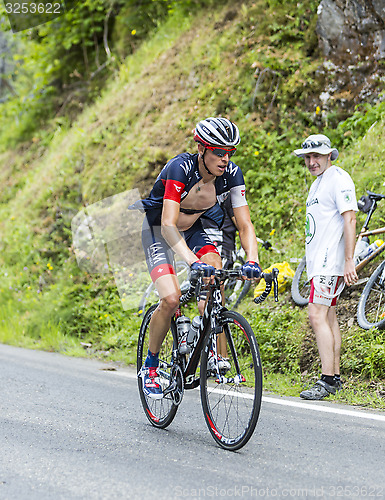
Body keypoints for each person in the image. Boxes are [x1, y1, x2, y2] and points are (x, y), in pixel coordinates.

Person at [138, 117, 262, 399]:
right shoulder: (179, 168)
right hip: (159, 229)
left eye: (229, 152)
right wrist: (193, 261)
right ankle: (151, 366)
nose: (225, 158)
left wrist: (252, 260)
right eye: (219, 152)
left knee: (215, 276)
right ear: (201, 149)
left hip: (194, 227)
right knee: (170, 299)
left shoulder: (231, 175)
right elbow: (168, 224)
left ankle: (214, 353)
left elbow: (244, 224)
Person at [293, 134, 358, 400]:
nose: (311, 162)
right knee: (328, 317)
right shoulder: (318, 184)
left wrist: (349, 260)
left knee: (316, 315)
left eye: (317, 156)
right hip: (319, 262)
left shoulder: (338, 179)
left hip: (329, 263)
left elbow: (350, 218)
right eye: (308, 157)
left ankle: (327, 379)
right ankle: (335, 377)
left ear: (329, 154)